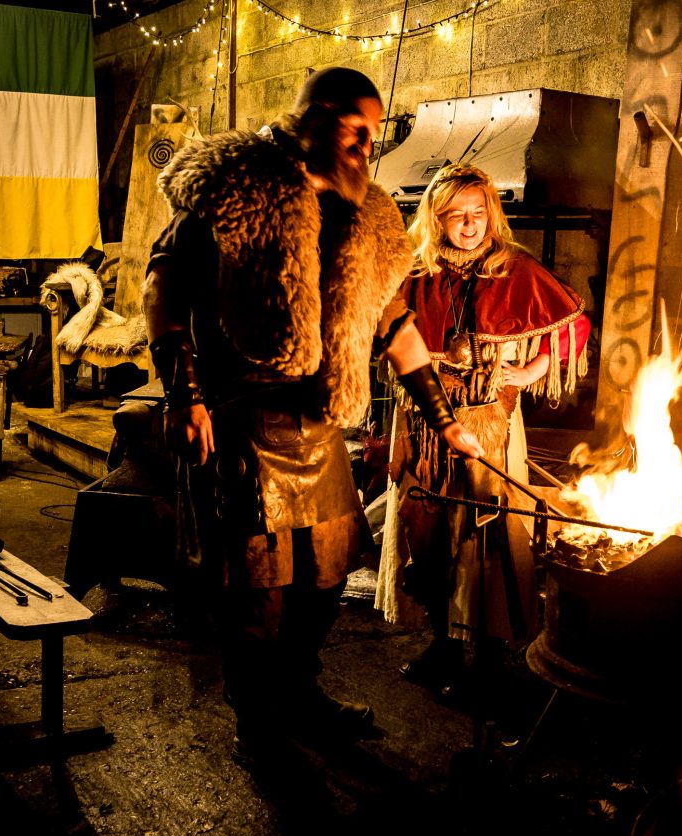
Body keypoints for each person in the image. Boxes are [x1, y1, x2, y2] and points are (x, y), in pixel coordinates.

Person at [143, 68, 483, 764]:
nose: (365, 146)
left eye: (372, 133)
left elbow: (393, 322)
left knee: (327, 577)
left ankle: (299, 693)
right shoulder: (233, 187)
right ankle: (258, 722)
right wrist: (185, 396)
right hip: (244, 419)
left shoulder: (368, 215)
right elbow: (165, 289)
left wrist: (444, 418)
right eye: (355, 129)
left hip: (320, 428)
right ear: (316, 118)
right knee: (258, 592)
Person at [375, 163, 591, 698]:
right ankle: (442, 645)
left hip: (492, 425)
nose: (470, 225)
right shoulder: (414, 272)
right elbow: (384, 334)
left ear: (492, 214)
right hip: (424, 424)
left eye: (478, 213)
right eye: (457, 215)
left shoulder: (516, 269)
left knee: (489, 535)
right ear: (437, 219)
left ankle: (490, 655)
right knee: (428, 529)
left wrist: (534, 369)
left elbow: (574, 325)